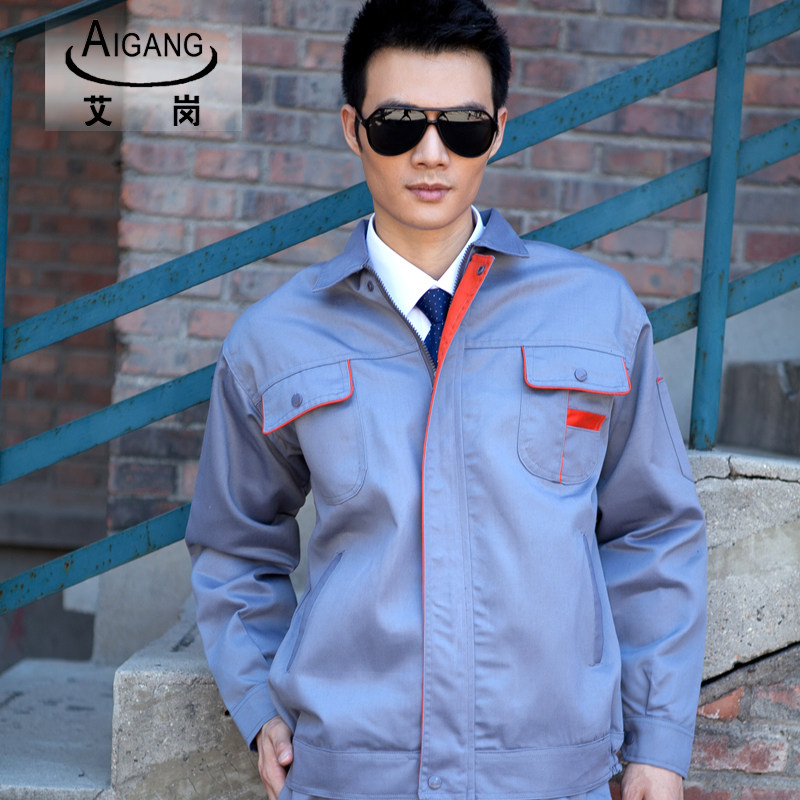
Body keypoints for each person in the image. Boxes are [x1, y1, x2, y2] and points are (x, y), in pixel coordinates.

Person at [185, 1, 707, 799]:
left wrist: (660, 743)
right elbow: (235, 544)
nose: (431, 154)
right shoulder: (276, 339)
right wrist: (258, 701)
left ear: (497, 132)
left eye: (462, 127)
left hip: (550, 777)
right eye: (399, 125)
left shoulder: (595, 312)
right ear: (353, 128)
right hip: (353, 775)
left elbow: (653, 530)